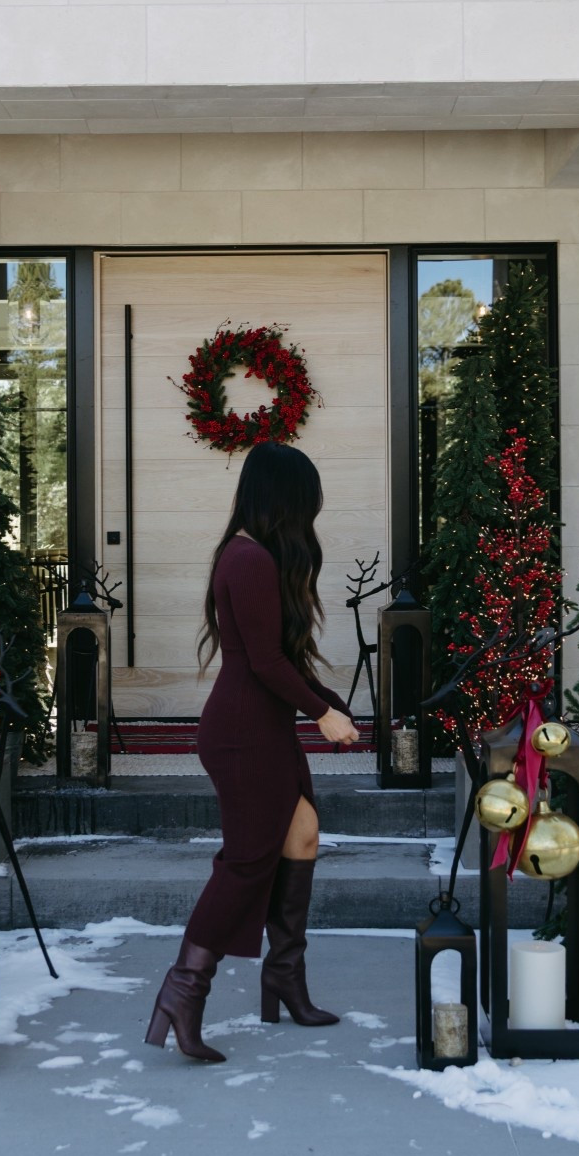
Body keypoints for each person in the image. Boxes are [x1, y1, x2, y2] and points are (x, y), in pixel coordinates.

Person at [145, 441, 360, 1062]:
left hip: (261, 725)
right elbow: (264, 663)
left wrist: (330, 704)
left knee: (302, 836)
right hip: (244, 730)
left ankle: (283, 980)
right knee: (244, 864)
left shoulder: (252, 555)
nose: (310, 517)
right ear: (283, 499)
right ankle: (183, 991)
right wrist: (322, 713)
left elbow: (281, 659)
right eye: (306, 503)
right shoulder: (249, 560)